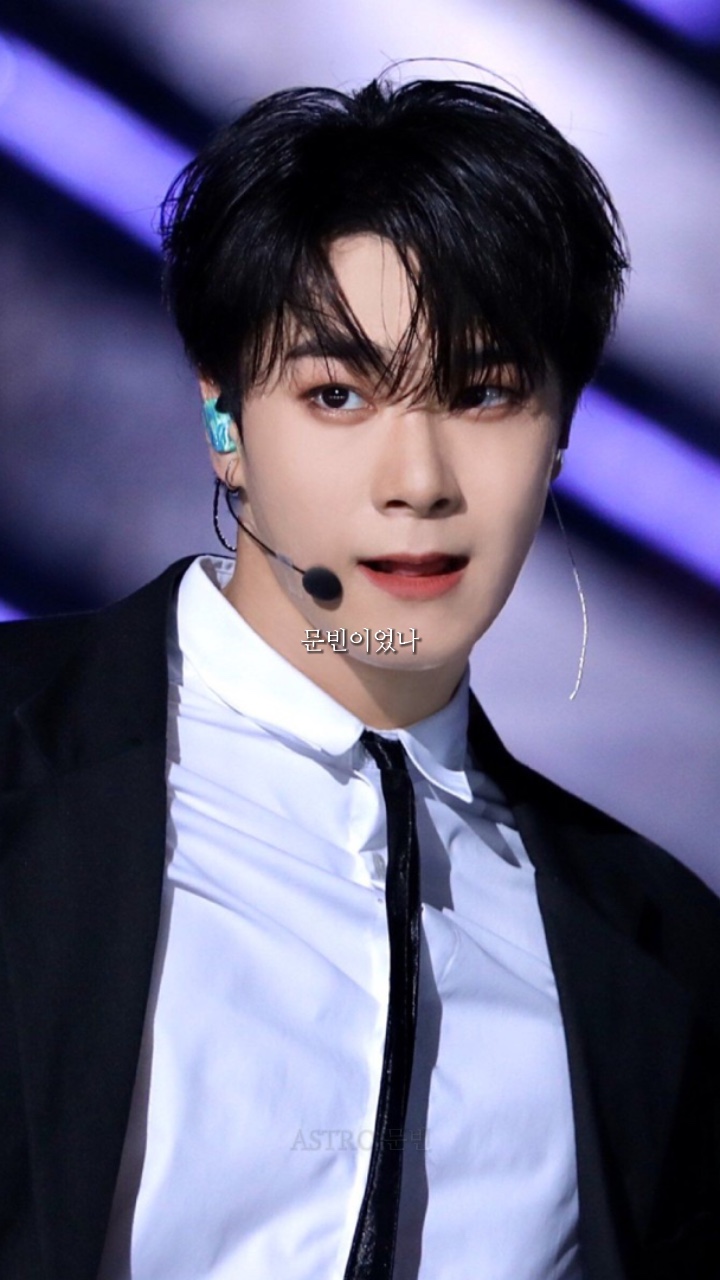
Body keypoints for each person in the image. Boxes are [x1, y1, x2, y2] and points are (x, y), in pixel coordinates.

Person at [0, 73, 718, 1280]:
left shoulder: (657, 960)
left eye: (485, 393)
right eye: (337, 394)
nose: (418, 480)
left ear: (560, 435)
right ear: (225, 421)